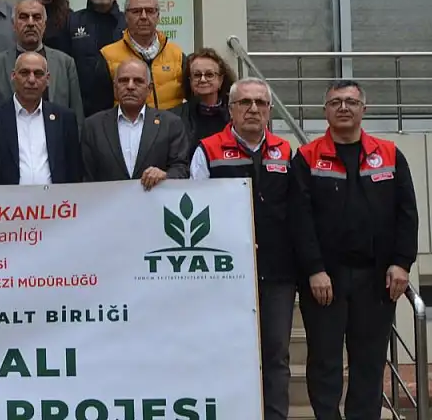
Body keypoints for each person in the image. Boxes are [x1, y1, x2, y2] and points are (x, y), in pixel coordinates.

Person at [291, 80, 419, 420]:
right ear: (325, 111)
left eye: (351, 101)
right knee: (325, 361)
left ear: (364, 108)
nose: (343, 107)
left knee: (369, 361)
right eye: (335, 102)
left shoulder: (389, 154)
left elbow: (407, 213)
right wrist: (314, 269)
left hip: (376, 279)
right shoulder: (307, 157)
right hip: (325, 281)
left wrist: (402, 263)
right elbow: (300, 220)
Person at [189, 79, 295, 420]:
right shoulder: (207, 150)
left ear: (270, 111)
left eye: (260, 103)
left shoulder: (286, 152)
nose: (253, 109)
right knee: (229, 352)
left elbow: (299, 212)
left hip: (277, 272)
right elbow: (195, 208)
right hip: (225, 274)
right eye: (244, 102)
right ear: (230, 109)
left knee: (276, 354)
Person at [0, 52, 81, 184]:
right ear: (13, 76)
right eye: (24, 73)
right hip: (6, 196)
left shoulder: (64, 118)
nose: (31, 80)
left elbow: (73, 171)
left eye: (38, 74)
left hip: (54, 196)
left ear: (47, 79)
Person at [80, 59, 190, 184]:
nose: (130, 86)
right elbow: (86, 177)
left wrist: (165, 176)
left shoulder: (170, 124)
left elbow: (181, 169)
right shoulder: (93, 126)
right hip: (107, 196)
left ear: (149, 89)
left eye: (138, 81)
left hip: (155, 196)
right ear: (115, 87)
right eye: (124, 80)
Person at [0, 0, 84, 120]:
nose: (30, 23)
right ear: (14, 25)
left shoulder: (66, 64)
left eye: (37, 17)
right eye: (23, 17)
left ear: (44, 25)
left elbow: (77, 118)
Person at [100, 0, 188, 110]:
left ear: (158, 16)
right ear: (126, 17)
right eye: (136, 11)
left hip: (171, 122)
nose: (143, 17)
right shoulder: (107, 55)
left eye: (150, 11)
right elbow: (101, 108)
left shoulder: (176, 53)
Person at [62, 0, 127, 119]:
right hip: (83, 110)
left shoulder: (128, 23)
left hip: (123, 108)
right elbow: (64, 68)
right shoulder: (71, 22)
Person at [174, 48, 235, 143]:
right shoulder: (175, 117)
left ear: (221, 80)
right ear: (190, 80)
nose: (203, 79)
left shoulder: (234, 114)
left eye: (209, 75)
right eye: (197, 75)